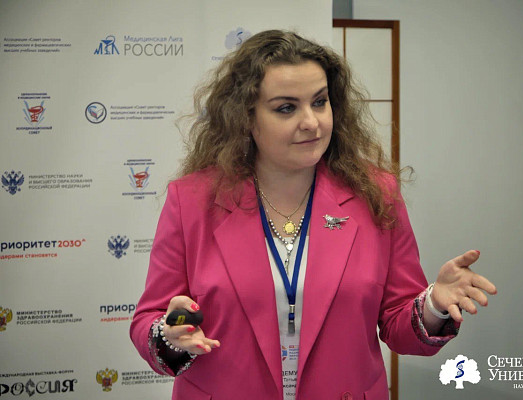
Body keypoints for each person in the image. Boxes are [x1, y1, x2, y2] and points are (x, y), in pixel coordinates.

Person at [130, 29, 497, 400]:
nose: (312, 122)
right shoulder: (192, 200)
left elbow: (399, 323)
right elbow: (149, 320)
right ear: (247, 118)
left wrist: (434, 304)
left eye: (319, 102)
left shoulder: (375, 194)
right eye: (286, 108)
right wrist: (169, 334)